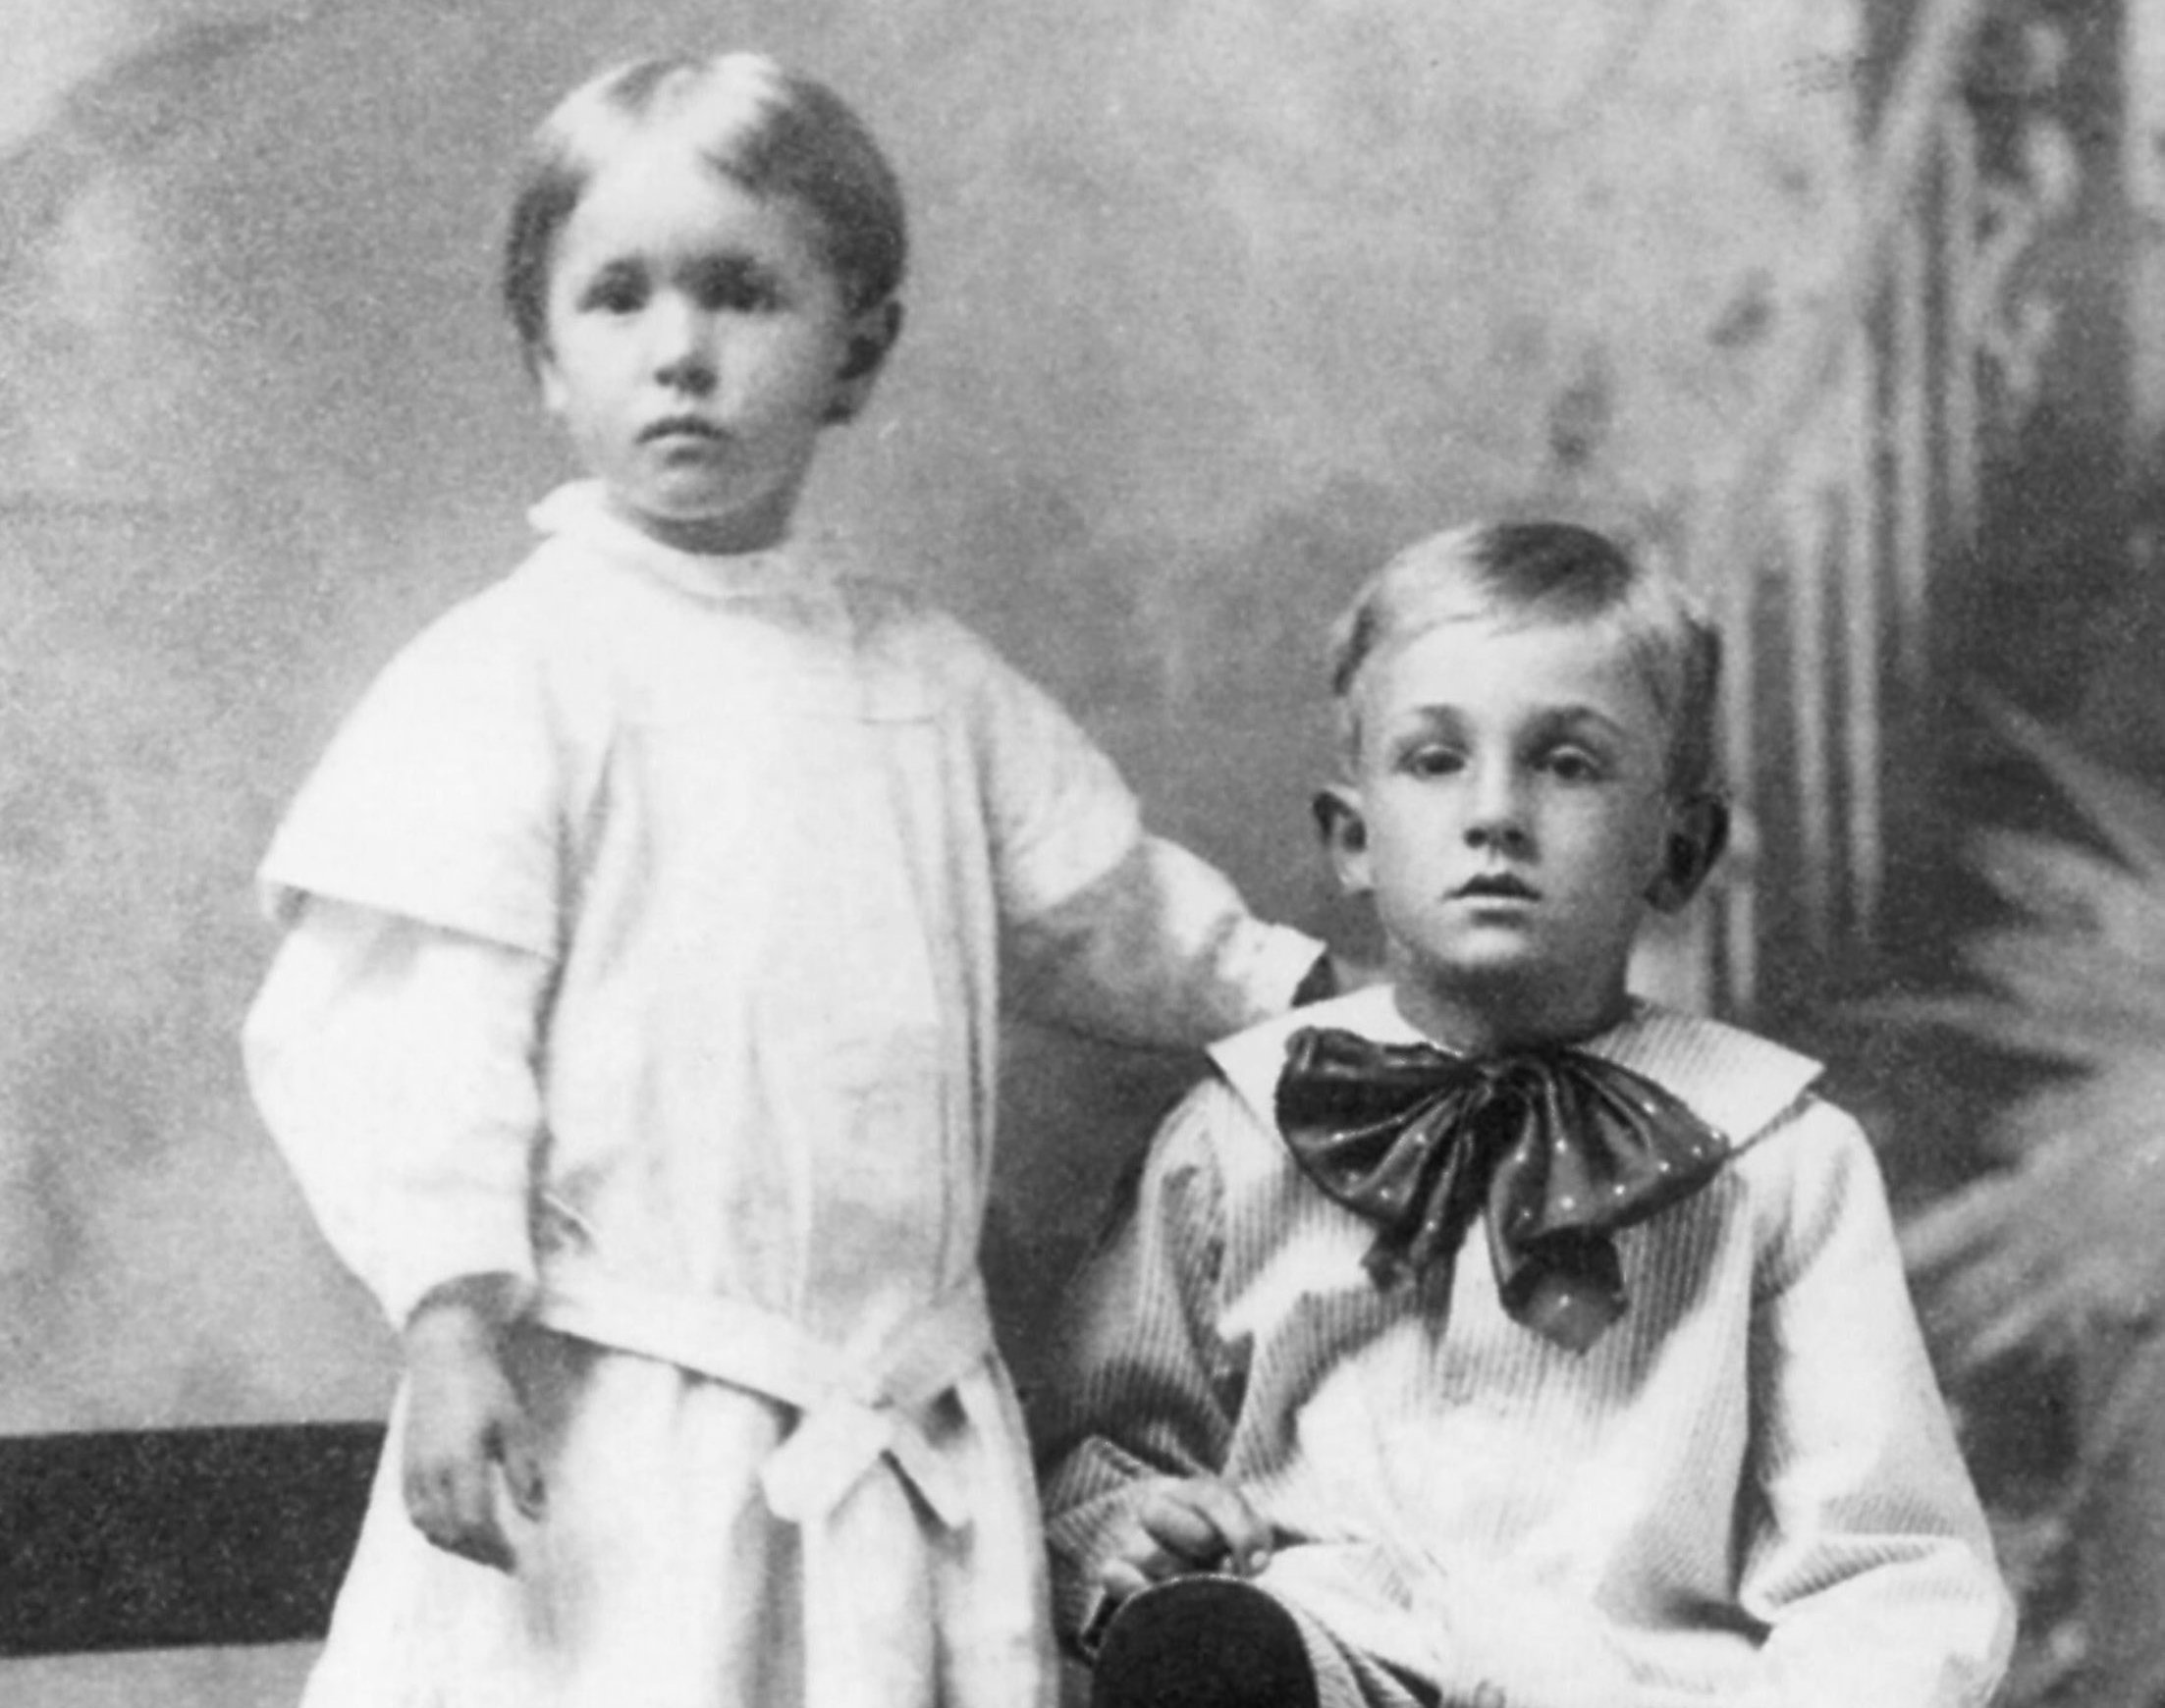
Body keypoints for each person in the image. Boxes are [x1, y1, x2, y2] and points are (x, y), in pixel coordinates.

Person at [242, 50, 1326, 1708]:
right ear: (545, 356)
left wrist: (1300, 997)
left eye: (742, 293)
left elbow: (1106, 907)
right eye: (617, 301)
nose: (680, 353)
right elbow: (409, 1028)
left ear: (857, 349)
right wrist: (447, 1313)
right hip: (617, 1430)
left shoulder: (926, 685)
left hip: (893, 1418)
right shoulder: (513, 677)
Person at [1036, 521, 2015, 1708]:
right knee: (1241, 1643)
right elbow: (1106, 1456)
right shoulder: (1240, 1130)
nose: (1496, 812)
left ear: (1680, 845)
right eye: (1436, 760)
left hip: (1635, 1689)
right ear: (1353, 837)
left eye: (1568, 763)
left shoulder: (1781, 1158)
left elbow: (1888, 1565)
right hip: (1330, 1666)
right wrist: (1135, 1531)